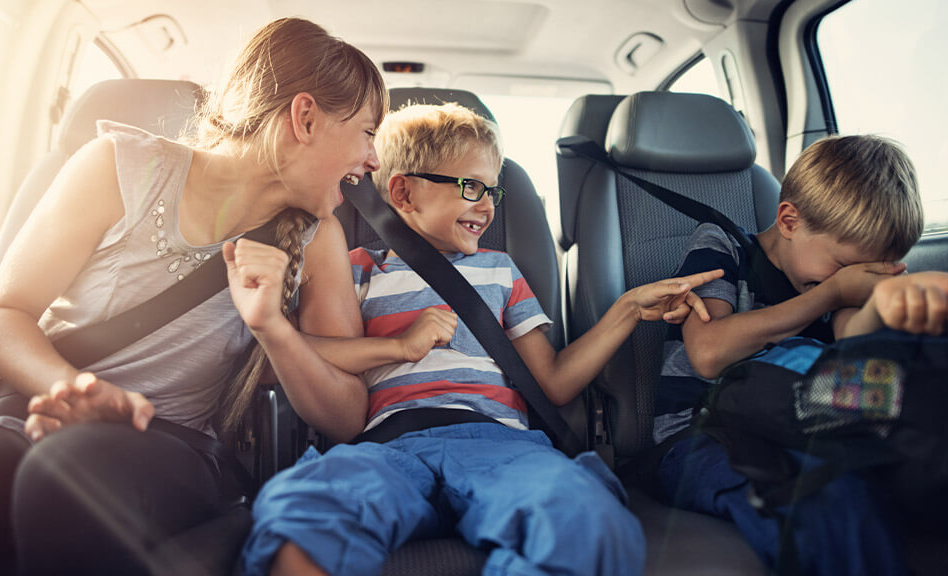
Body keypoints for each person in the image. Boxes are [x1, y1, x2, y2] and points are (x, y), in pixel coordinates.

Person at [0, 17, 385, 575]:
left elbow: (346, 417)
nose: (375, 160)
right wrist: (73, 391)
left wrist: (273, 329)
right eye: (366, 132)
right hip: (31, 408)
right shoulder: (115, 167)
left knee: (69, 473)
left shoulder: (318, 239)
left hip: (172, 448)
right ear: (305, 118)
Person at [240, 102, 724, 576]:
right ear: (404, 193)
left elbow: (553, 384)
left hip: (500, 444)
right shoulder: (362, 269)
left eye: (493, 192)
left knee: (581, 513)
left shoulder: (501, 271)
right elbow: (307, 351)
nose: (488, 206)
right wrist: (397, 346)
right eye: (472, 187)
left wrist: (626, 311)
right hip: (387, 446)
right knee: (304, 509)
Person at [653, 134, 925, 575]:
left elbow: (853, 339)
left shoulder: (837, 289)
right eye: (842, 267)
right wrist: (832, 292)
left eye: (866, 274)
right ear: (789, 220)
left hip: (810, 430)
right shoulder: (724, 247)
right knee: (819, 504)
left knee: (869, 490)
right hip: (703, 439)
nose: (850, 282)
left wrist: (878, 302)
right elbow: (707, 352)